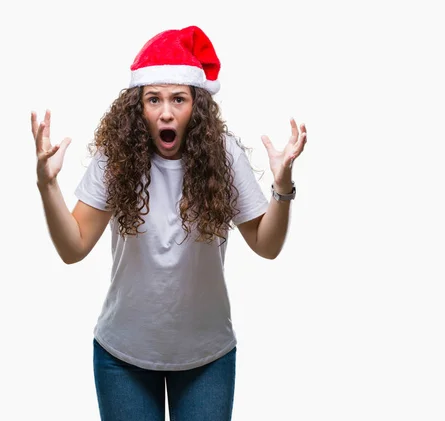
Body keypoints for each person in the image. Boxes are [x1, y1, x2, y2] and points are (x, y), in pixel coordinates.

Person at [31, 25, 307, 421]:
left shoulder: (224, 155)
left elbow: (267, 245)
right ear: (137, 107)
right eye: (153, 99)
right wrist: (47, 185)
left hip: (206, 358)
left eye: (178, 99)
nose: (165, 112)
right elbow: (73, 248)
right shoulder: (117, 158)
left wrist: (282, 187)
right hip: (122, 357)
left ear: (197, 104)